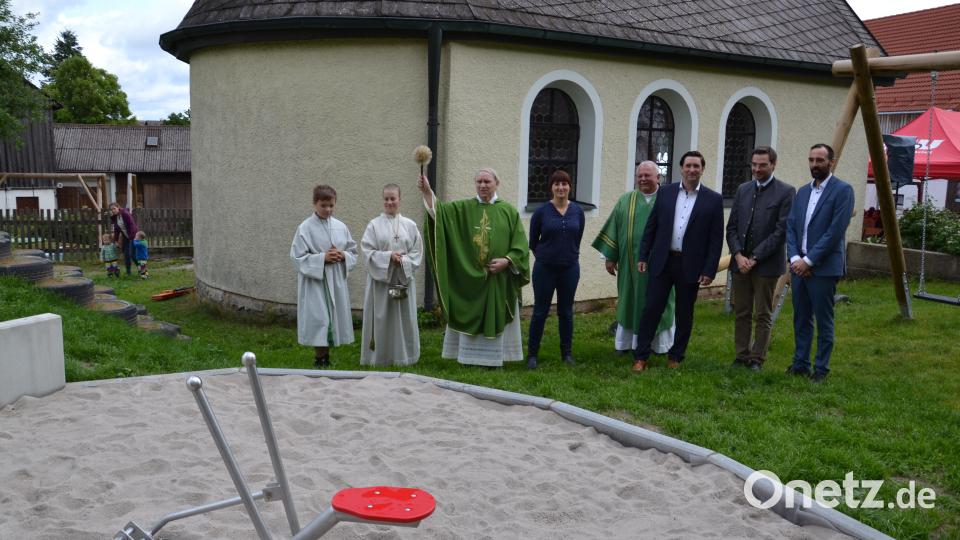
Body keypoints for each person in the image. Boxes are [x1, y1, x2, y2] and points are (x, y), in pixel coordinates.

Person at [417, 168, 530, 367]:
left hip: (499, 279)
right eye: (479, 182)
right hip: (470, 279)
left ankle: (494, 359)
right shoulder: (463, 208)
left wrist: (507, 261)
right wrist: (427, 192)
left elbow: (520, 245)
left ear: (497, 183)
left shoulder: (509, 211)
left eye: (487, 181)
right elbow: (439, 214)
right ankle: (469, 357)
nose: (482, 185)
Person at [632, 151, 724, 372]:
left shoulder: (713, 199)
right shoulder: (665, 192)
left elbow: (715, 238)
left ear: (702, 170)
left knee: (684, 313)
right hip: (663, 261)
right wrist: (644, 255)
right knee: (651, 309)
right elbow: (651, 226)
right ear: (681, 168)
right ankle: (641, 356)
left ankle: (676, 356)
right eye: (688, 166)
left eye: (696, 166)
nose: (692, 170)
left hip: (690, 265)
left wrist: (709, 269)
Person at [785, 144, 854, 382]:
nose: (814, 164)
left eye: (820, 160)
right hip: (798, 266)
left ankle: (821, 368)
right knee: (801, 317)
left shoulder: (843, 190)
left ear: (831, 163)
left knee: (824, 320)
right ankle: (800, 363)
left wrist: (810, 260)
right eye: (811, 159)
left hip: (823, 268)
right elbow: (791, 226)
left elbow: (835, 231)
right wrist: (795, 258)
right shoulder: (803, 192)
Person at [592, 161, 675, 356]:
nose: (643, 179)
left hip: (662, 266)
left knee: (660, 303)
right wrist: (609, 257)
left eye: (648, 175)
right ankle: (626, 344)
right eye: (640, 176)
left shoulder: (668, 200)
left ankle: (659, 345)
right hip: (630, 267)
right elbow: (614, 226)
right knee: (630, 301)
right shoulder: (626, 200)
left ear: (658, 178)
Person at [725, 146, 796, 371]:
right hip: (740, 264)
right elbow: (732, 227)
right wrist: (737, 255)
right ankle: (741, 355)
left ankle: (757, 358)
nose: (757, 168)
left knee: (763, 314)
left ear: (773, 165)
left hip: (766, 265)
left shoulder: (786, 192)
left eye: (762, 165)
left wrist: (754, 258)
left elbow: (781, 231)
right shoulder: (743, 189)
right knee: (742, 312)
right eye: (754, 164)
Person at [290, 184, 358, 368]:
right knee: (320, 319)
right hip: (316, 283)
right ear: (314, 204)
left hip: (335, 281)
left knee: (331, 320)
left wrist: (342, 255)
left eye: (331, 206)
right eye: (323, 205)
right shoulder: (305, 228)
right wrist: (323, 258)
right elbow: (297, 257)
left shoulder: (340, 226)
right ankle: (319, 359)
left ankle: (326, 358)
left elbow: (353, 252)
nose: (328, 209)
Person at [526, 170, 585, 369]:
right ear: (551, 187)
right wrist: (547, 257)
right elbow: (533, 242)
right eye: (557, 184)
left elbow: (577, 238)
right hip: (545, 269)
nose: (561, 188)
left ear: (570, 187)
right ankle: (532, 355)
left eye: (565, 184)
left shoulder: (577, 211)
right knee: (540, 312)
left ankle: (566, 353)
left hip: (569, 268)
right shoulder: (541, 212)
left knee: (566, 312)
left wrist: (566, 255)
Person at [360, 183, 423, 366]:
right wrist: (388, 257)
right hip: (381, 282)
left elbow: (417, 253)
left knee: (402, 319)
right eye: (386, 199)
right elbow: (367, 251)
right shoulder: (374, 225)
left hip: (402, 280)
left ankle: (404, 356)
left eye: (393, 198)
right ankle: (379, 357)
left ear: (399, 199)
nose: (389, 202)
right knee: (381, 319)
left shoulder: (410, 225)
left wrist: (402, 261)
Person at [109, 202, 139, 276]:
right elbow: (117, 230)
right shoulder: (115, 217)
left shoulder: (125, 213)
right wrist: (115, 240)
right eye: (111, 209)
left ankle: (141, 268)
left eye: (114, 208)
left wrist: (132, 237)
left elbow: (132, 225)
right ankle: (128, 272)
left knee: (132, 254)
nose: (113, 210)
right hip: (126, 237)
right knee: (126, 255)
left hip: (133, 236)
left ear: (118, 207)